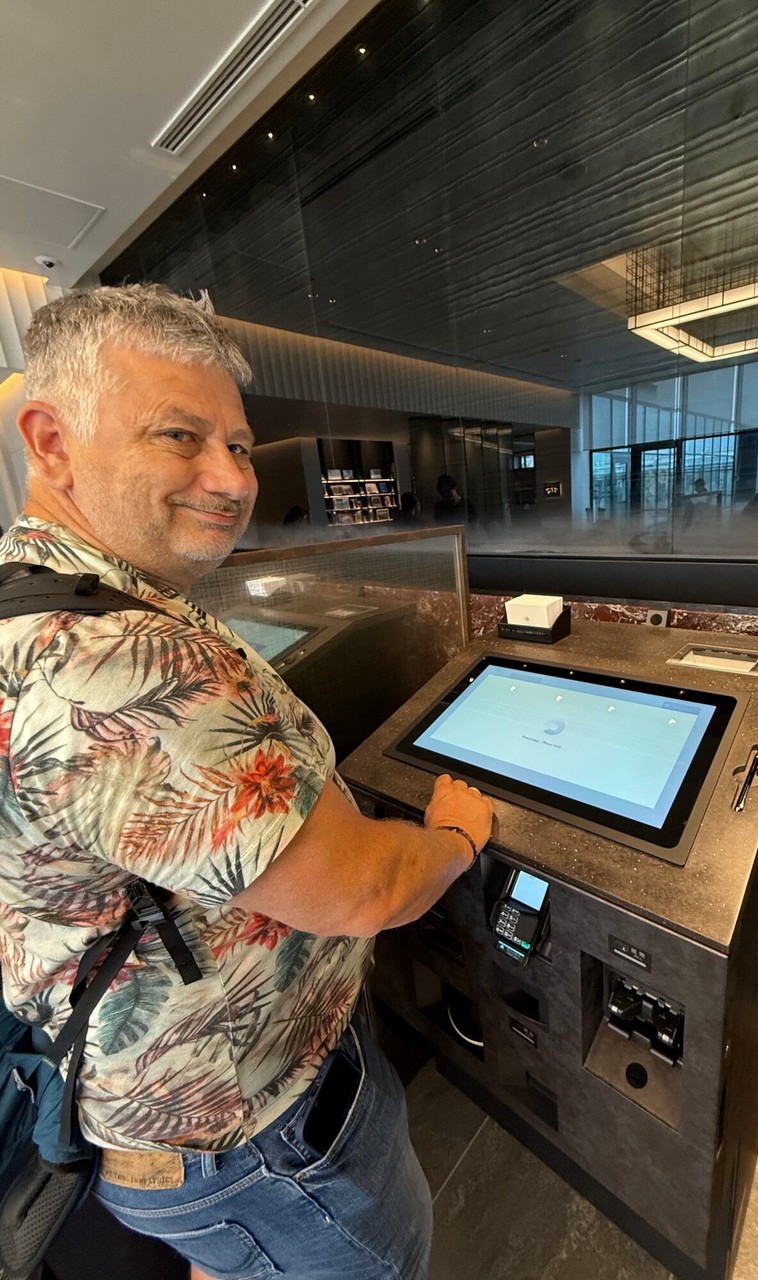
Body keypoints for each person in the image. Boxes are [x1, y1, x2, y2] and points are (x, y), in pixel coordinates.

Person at [0, 284, 493, 1280]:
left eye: (238, 443)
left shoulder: (39, 601)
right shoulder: (117, 660)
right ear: (50, 442)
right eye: (179, 436)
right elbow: (364, 889)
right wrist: (456, 834)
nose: (230, 477)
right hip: (257, 1130)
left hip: (153, 1124)